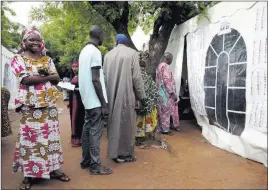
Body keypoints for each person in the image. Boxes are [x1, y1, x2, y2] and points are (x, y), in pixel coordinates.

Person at [11, 28, 70, 190]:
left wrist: (47, 78)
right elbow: (26, 80)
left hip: (49, 107)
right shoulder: (18, 59)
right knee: (30, 141)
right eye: (31, 39)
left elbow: (57, 79)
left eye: (38, 39)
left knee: (51, 139)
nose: (35, 42)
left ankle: (54, 170)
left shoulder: (47, 59)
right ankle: (29, 176)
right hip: (29, 107)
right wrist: (48, 77)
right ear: (24, 42)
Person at [103, 34, 146, 163]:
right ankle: (126, 154)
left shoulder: (107, 56)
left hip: (110, 94)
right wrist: (141, 96)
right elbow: (136, 78)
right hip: (126, 93)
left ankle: (114, 153)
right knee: (127, 124)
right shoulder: (132, 54)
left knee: (113, 123)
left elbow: (104, 78)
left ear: (116, 42)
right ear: (126, 42)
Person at [78, 25, 112, 175]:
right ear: (99, 35)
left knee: (86, 130)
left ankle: (85, 161)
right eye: (103, 35)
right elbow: (96, 79)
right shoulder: (96, 52)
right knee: (95, 133)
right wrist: (104, 103)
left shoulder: (84, 51)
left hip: (86, 99)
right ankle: (95, 166)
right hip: (95, 100)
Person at [135, 51, 159, 147]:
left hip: (137, 104)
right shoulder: (148, 78)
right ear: (145, 67)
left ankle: (138, 137)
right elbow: (155, 93)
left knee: (139, 121)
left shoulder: (134, 77)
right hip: (147, 105)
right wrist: (153, 102)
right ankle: (148, 135)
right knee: (150, 116)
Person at [156, 52, 180, 136]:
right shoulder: (166, 66)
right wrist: (172, 93)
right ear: (168, 59)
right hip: (166, 93)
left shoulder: (159, 66)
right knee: (166, 112)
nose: (171, 62)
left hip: (160, 92)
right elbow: (167, 80)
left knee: (161, 111)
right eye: (171, 60)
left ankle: (160, 128)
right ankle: (165, 130)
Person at [67, 61, 85, 147]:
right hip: (73, 103)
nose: (74, 68)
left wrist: (73, 88)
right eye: (73, 66)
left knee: (78, 120)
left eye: (76, 66)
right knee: (74, 120)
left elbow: (83, 89)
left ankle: (78, 139)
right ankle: (76, 138)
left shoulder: (82, 77)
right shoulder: (74, 77)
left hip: (79, 103)